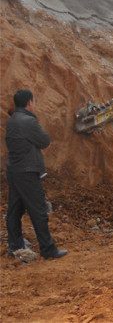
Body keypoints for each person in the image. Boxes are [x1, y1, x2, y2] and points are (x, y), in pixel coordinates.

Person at [5, 89, 67, 259]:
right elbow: (45, 140)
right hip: (27, 172)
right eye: (34, 101)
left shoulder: (12, 121)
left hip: (15, 171)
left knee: (14, 211)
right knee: (38, 210)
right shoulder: (28, 121)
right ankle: (48, 249)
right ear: (29, 103)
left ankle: (15, 247)